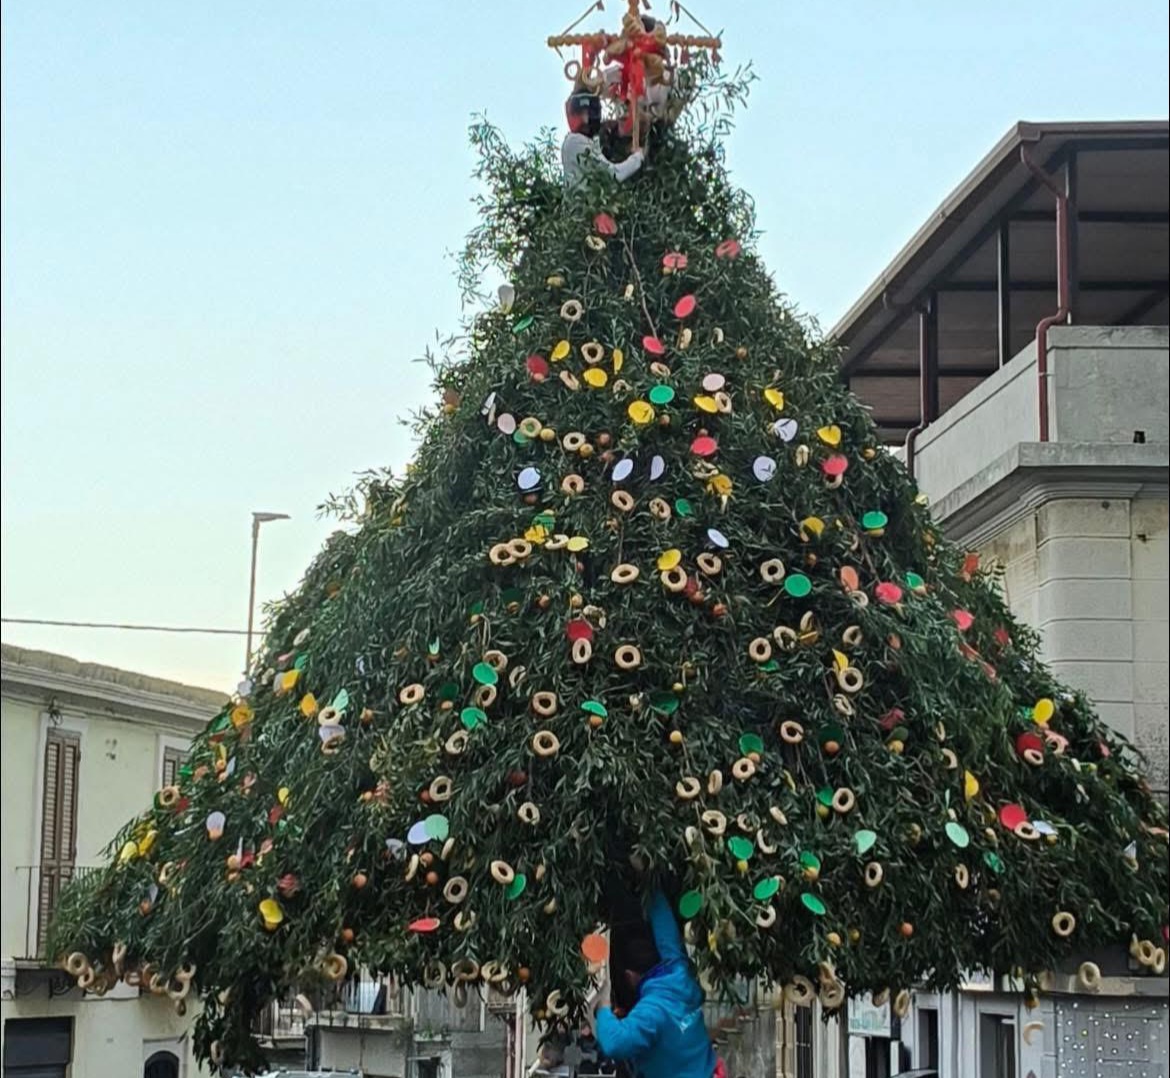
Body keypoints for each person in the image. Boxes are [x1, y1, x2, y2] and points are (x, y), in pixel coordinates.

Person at [592, 891, 721, 1078]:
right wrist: (650, 887)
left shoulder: (652, 1012)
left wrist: (603, 1006)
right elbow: (666, 932)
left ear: (629, 975)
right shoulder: (680, 973)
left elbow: (614, 1043)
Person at [562, 88, 644, 189]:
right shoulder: (575, 141)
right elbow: (613, 175)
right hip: (585, 203)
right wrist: (638, 157)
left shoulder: (585, 141)